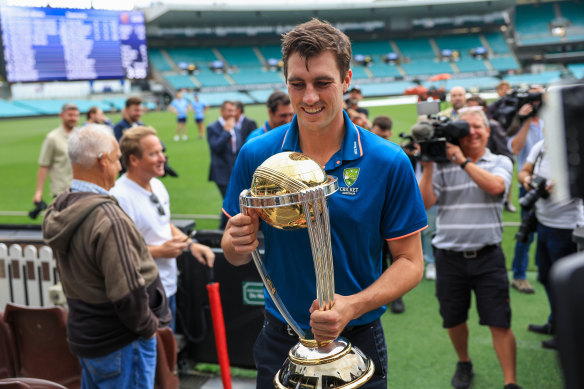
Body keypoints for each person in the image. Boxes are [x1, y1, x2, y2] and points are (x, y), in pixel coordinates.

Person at [220, 19, 426, 389]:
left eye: (322, 83)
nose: (309, 97)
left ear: (346, 80)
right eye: (297, 84)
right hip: (279, 339)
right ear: (286, 84)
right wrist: (236, 241)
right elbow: (234, 252)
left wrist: (352, 306)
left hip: (356, 336)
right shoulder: (257, 155)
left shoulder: (388, 160)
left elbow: (410, 262)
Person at [42, 125, 171, 388]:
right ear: (102, 161)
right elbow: (127, 293)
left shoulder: (63, 205)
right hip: (121, 343)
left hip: (88, 337)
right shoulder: (107, 217)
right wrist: (148, 328)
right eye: (115, 159)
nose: (119, 168)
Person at [418, 108, 520, 389]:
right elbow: (424, 203)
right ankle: (464, 361)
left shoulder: (500, 161)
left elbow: (496, 187)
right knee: (454, 319)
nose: (472, 132)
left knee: (500, 321)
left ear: (488, 131)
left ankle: (510, 381)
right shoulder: (442, 165)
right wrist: (428, 166)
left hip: (488, 257)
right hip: (449, 258)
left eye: (478, 127)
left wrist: (462, 161)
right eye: (466, 127)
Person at [111, 126, 215, 331]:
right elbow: (119, 250)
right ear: (133, 160)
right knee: (155, 359)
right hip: (144, 294)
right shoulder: (119, 196)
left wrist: (191, 245)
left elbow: (163, 223)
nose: (162, 158)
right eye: (154, 154)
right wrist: (161, 252)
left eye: (161, 151)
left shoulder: (157, 185)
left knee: (168, 354)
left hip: (168, 287)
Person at [517, 138, 584, 349]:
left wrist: (565, 184)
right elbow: (523, 170)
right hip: (543, 223)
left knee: (567, 282)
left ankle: (570, 331)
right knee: (546, 276)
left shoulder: (576, 147)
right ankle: (557, 322)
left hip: (568, 227)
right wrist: (527, 180)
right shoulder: (542, 145)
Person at [507, 85, 545, 294]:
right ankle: (519, 275)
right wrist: (525, 119)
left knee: (551, 233)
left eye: (539, 94)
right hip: (528, 184)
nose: (535, 99)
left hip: (551, 184)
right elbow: (515, 148)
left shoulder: (551, 119)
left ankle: (545, 270)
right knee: (527, 233)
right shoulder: (518, 121)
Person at [32, 103, 79, 205]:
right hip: (61, 191)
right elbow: (44, 165)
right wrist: (38, 192)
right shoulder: (52, 138)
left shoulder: (81, 136)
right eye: (70, 115)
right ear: (61, 116)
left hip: (80, 190)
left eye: (76, 115)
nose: (73, 118)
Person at [207, 100, 242, 229]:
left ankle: (223, 230)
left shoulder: (237, 128)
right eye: (229, 111)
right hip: (221, 173)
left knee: (232, 202)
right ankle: (222, 230)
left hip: (234, 172)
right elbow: (216, 147)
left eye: (233, 111)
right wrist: (226, 131)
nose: (232, 114)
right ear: (221, 111)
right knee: (230, 201)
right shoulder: (212, 127)